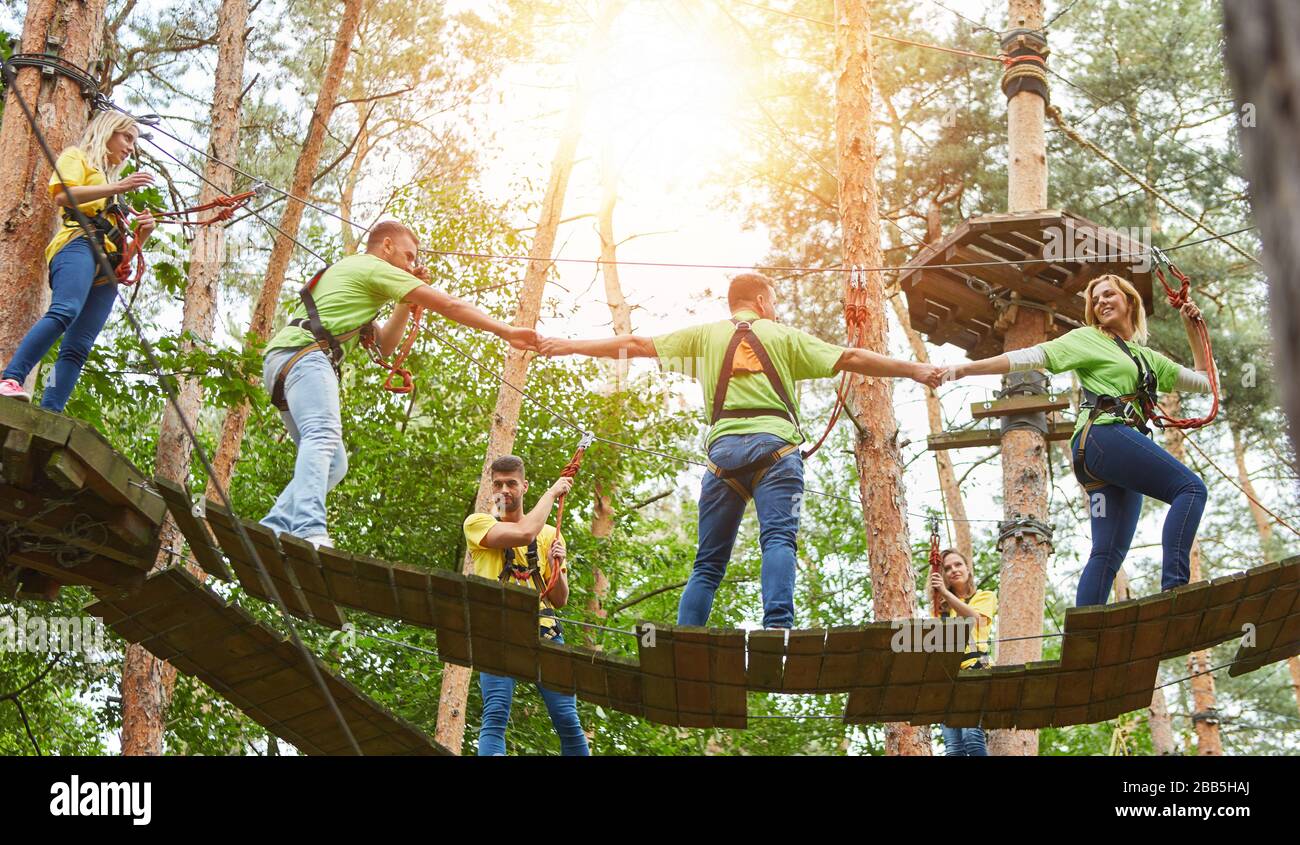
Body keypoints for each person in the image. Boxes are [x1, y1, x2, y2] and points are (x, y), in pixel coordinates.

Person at [540, 272, 945, 628]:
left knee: (708, 563)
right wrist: (916, 370)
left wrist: (569, 345)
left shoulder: (705, 335)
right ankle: (777, 629)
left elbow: (635, 343)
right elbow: (853, 356)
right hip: (777, 452)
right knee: (779, 540)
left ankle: (687, 638)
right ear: (762, 300)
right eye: (775, 302)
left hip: (723, 458)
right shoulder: (782, 336)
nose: (777, 310)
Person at [261, 220, 539, 547]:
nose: (411, 265)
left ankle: (275, 525)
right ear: (387, 246)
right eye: (408, 257)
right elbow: (450, 305)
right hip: (305, 357)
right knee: (322, 434)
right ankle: (308, 528)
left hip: (286, 360)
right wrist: (505, 331)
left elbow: (386, 345)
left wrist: (405, 303)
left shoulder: (357, 276)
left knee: (334, 463)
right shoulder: (373, 265)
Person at [948, 274, 1212, 606]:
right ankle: (1175, 589)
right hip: (1103, 437)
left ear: (1129, 300)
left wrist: (1193, 331)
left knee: (1107, 552)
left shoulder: (1149, 359)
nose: (1101, 302)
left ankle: (1087, 637)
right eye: (1095, 299)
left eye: (1108, 295)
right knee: (1190, 489)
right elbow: (1033, 356)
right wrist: (966, 369)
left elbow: (1205, 382)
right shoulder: (1089, 338)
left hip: (1102, 455)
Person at [0, 110, 156, 410]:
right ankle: (11, 377)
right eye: (127, 137)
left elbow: (123, 258)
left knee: (78, 347)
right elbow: (63, 196)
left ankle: (51, 409)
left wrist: (141, 236)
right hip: (77, 245)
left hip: (107, 269)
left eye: (134, 142)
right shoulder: (77, 158)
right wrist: (117, 187)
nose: (130, 147)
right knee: (65, 310)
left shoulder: (114, 193)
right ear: (107, 132)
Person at [463, 454, 590, 756]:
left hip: (544, 633)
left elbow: (559, 599)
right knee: (495, 714)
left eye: (511, 483)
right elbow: (522, 533)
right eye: (498, 484)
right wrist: (552, 492)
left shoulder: (549, 535)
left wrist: (554, 565)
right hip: (497, 635)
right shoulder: (478, 524)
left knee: (568, 720)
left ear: (524, 486)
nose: (504, 490)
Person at [929, 548, 996, 756]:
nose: (953, 570)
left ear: (968, 569)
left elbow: (975, 619)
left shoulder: (984, 596)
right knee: (953, 747)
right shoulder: (940, 612)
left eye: (958, 565)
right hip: (949, 676)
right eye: (947, 568)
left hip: (977, 668)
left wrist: (946, 594)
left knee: (972, 736)